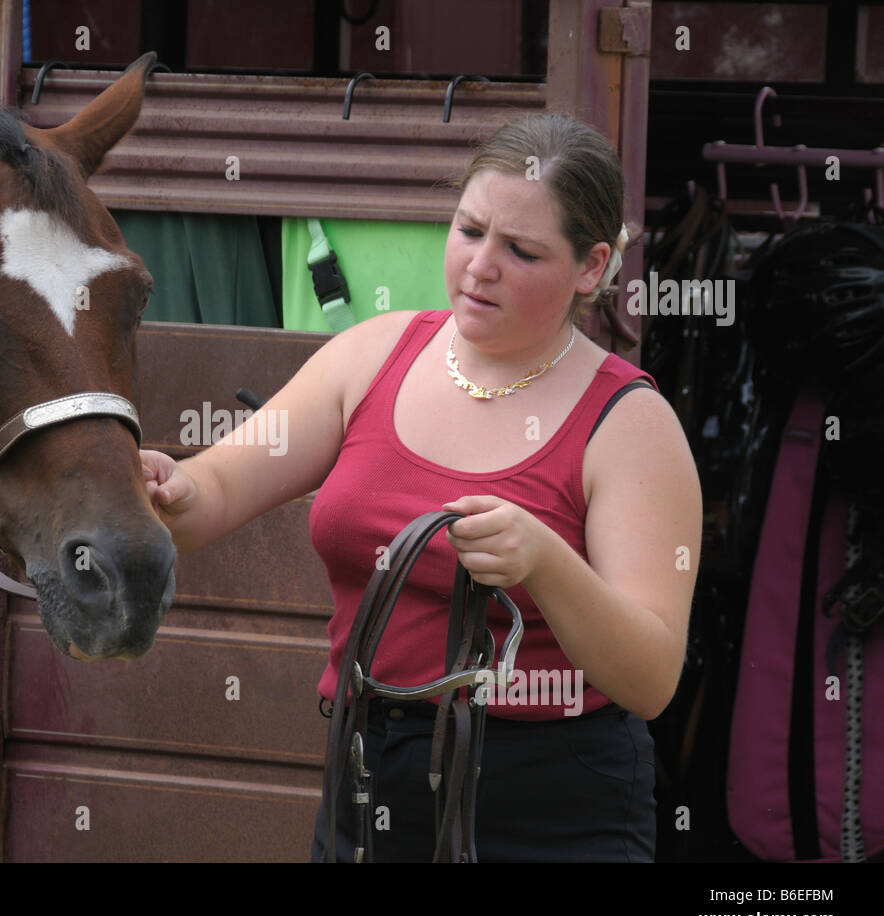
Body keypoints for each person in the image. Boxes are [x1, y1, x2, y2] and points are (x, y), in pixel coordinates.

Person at [140, 113, 702, 862]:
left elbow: (652, 678)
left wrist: (545, 560)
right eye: (469, 231)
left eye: (521, 250)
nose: (480, 266)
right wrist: (168, 486)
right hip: (368, 779)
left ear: (592, 267)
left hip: (552, 806)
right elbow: (210, 494)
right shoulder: (374, 353)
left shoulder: (633, 423)